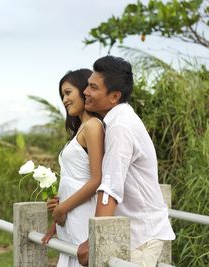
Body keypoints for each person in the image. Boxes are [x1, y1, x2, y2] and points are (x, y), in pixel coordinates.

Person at [77, 55, 175, 267]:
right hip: (134, 232)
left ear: (114, 96)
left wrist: (92, 240)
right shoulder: (117, 121)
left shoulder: (121, 126)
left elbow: (110, 187)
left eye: (93, 87)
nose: (85, 92)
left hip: (141, 236)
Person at [40, 69, 105, 267]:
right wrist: (56, 217)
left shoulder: (93, 126)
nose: (65, 99)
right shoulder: (81, 129)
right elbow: (72, 180)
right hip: (71, 218)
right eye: (62, 96)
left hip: (83, 216)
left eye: (68, 92)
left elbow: (97, 180)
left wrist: (63, 208)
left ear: (84, 90)